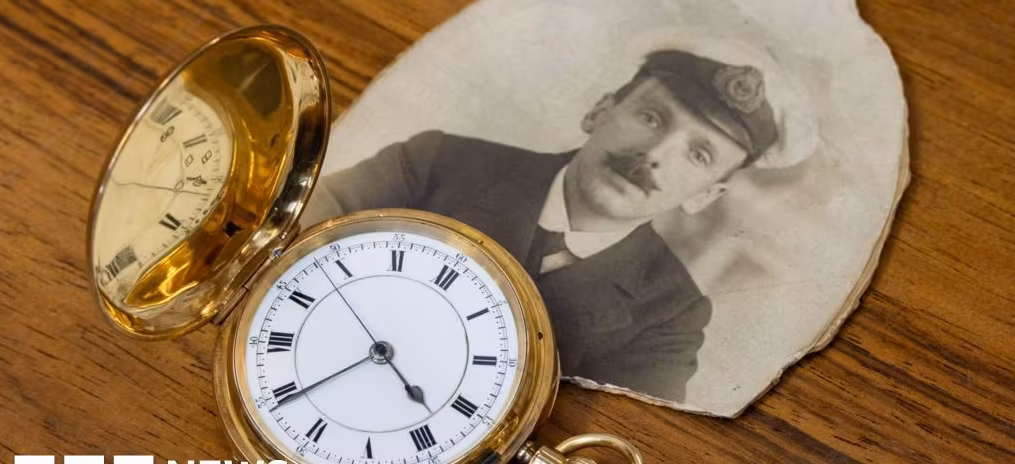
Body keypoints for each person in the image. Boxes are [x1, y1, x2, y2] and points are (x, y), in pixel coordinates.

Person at [303, 40, 817, 402]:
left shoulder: (671, 319)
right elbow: (295, 240)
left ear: (707, 195)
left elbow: (601, 440)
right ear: (600, 110)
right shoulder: (440, 162)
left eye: (698, 155)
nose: (655, 154)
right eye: (652, 117)